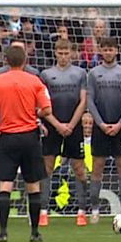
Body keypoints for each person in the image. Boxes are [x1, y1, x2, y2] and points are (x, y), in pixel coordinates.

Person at [0, 45, 52, 242]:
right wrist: (35, 114)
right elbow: (47, 109)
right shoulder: (35, 81)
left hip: (7, 138)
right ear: (25, 61)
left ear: (6, 61)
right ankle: (35, 232)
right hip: (30, 137)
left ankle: (3, 232)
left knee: (5, 183)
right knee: (33, 185)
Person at [38, 39, 89, 227]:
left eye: (66, 52)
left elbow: (83, 101)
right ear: (55, 53)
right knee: (47, 168)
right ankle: (43, 211)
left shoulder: (80, 73)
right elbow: (42, 103)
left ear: (72, 53)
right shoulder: (46, 75)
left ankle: (81, 211)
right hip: (52, 125)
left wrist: (72, 124)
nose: (63, 56)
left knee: (79, 169)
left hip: (73, 126)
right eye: (60, 52)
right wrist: (57, 124)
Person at [86, 37, 121, 224]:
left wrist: (120, 124)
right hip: (100, 128)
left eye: (111, 49)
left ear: (117, 50)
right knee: (97, 167)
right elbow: (89, 101)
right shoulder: (93, 73)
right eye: (104, 49)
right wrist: (100, 123)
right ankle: (95, 209)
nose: (108, 52)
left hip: (120, 128)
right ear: (100, 50)